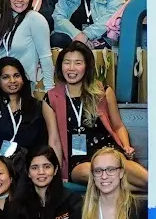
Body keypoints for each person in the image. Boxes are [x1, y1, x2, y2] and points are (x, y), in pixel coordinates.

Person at [43, 45, 144, 187]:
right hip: (78, 160)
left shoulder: (102, 91)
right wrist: (58, 173)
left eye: (78, 63)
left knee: (115, 165)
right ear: (60, 66)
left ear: (86, 66)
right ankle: (136, 190)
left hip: (106, 150)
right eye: (67, 62)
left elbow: (118, 125)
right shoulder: (51, 98)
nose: (71, 68)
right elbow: (54, 142)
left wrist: (126, 146)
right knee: (92, 172)